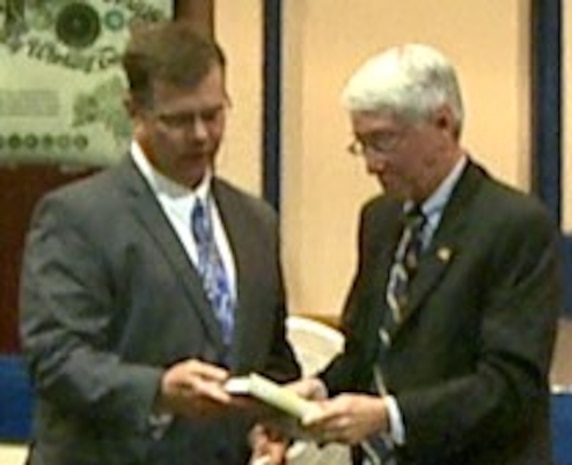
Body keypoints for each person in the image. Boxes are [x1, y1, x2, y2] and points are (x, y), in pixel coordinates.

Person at [19, 20, 300, 465]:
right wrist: (158, 391)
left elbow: (271, 358)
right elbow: (57, 360)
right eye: (178, 120)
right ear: (135, 112)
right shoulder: (78, 217)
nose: (201, 135)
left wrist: (273, 425)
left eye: (213, 114)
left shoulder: (255, 222)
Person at [289, 43, 562, 465]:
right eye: (362, 145)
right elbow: (366, 353)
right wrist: (320, 389)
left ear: (443, 124)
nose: (372, 165)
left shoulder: (516, 226)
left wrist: (390, 417)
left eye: (383, 141)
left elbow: (509, 388)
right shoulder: (380, 221)